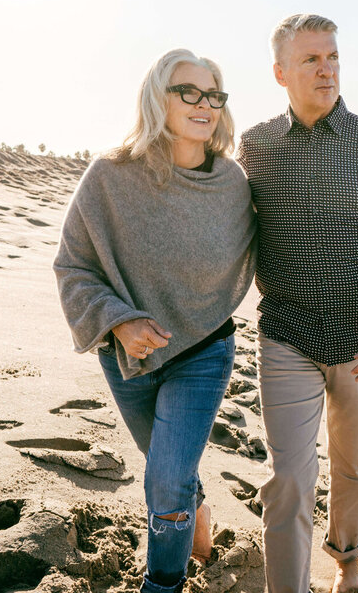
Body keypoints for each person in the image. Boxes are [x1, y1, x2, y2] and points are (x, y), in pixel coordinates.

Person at [237, 14, 358, 593]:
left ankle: (348, 564)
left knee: (355, 467)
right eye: (311, 60)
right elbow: (226, 229)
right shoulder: (256, 147)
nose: (327, 70)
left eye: (333, 57)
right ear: (280, 73)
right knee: (289, 480)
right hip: (286, 332)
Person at [53, 48, 255, 593]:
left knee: (165, 480)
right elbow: (73, 266)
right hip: (126, 355)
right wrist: (119, 321)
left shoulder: (232, 183)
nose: (204, 104)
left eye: (213, 95)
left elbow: (281, 243)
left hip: (204, 350)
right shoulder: (110, 175)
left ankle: (162, 584)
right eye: (188, 92)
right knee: (171, 470)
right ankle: (198, 507)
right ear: (156, 97)